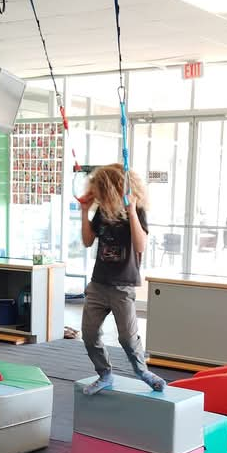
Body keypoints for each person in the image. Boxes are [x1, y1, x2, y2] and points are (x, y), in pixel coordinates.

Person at [79, 163, 166, 395]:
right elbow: (87, 241)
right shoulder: (102, 213)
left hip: (122, 287)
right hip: (98, 284)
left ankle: (142, 371)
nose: (96, 194)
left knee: (127, 338)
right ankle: (105, 373)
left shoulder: (136, 212)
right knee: (89, 334)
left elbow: (140, 245)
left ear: (110, 189)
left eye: (100, 189)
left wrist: (132, 211)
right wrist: (84, 212)